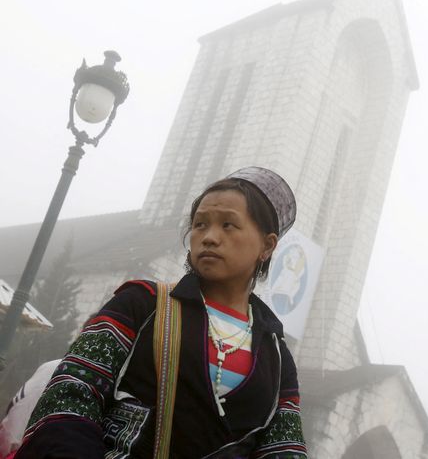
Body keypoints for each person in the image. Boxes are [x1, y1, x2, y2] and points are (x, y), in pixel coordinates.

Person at [16, 167, 307, 458]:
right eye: (200, 224)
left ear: (267, 246)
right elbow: (70, 394)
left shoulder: (276, 354)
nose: (209, 237)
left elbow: (284, 449)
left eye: (228, 225)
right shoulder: (141, 304)